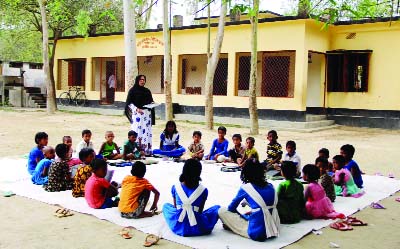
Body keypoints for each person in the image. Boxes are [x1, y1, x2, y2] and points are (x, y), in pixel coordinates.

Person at [218, 159, 280, 241]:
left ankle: (232, 226)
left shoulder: (246, 188)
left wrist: (243, 216)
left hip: (258, 232)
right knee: (247, 205)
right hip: (274, 228)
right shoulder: (271, 186)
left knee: (222, 211)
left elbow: (231, 208)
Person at [163, 159, 220, 237]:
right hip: (198, 227)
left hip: (178, 225)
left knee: (166, 206)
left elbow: (177, 208)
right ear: (199, 173)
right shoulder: (203, 190)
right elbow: (200, 211)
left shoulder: (175, 187)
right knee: (217, 208)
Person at [125, 75, 155, 154]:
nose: (142, 81)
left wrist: (152, 104)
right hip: (138, 115)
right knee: (137, 132)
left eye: (144, 79)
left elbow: (150, 101)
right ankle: (137, 151)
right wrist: (137, 109)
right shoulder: (132, 91)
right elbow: (129, 103)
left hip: (146, 115)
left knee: (147, 132)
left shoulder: (147, 91)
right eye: (141, 79)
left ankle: (146, 151)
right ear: (137, 80)